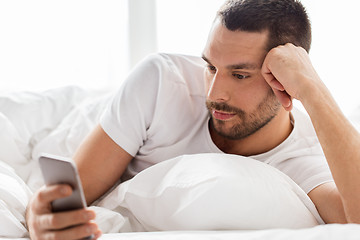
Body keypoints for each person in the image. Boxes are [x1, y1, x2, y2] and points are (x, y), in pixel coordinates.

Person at [26, 0, 360, 239]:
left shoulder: (304, 157)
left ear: (285, 80)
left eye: (240, 75)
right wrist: (38, 216)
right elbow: (66, 197)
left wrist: (314, 90)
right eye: (211, 67)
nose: (215, 93)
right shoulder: (161, 82)